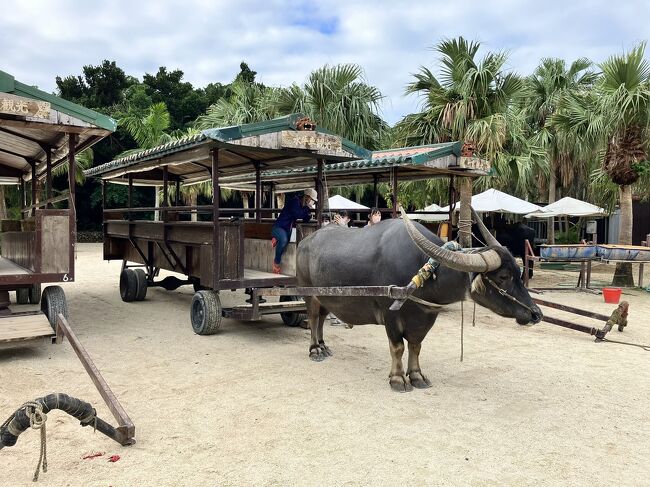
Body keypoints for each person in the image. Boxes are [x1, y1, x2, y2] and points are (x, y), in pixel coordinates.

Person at [271, 188, 316, 274]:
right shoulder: (294, 201)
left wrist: (308, 213)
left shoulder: (303, 205)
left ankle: (276, 239)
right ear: (307, 197)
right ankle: (276, 263)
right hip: (278, 227)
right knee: (283, 240)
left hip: (288, 229)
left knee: (286, 241)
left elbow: (305, 219)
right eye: (312, 200)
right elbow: (298, 214)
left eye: (313, 201)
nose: (313, 202)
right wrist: (307, 208)